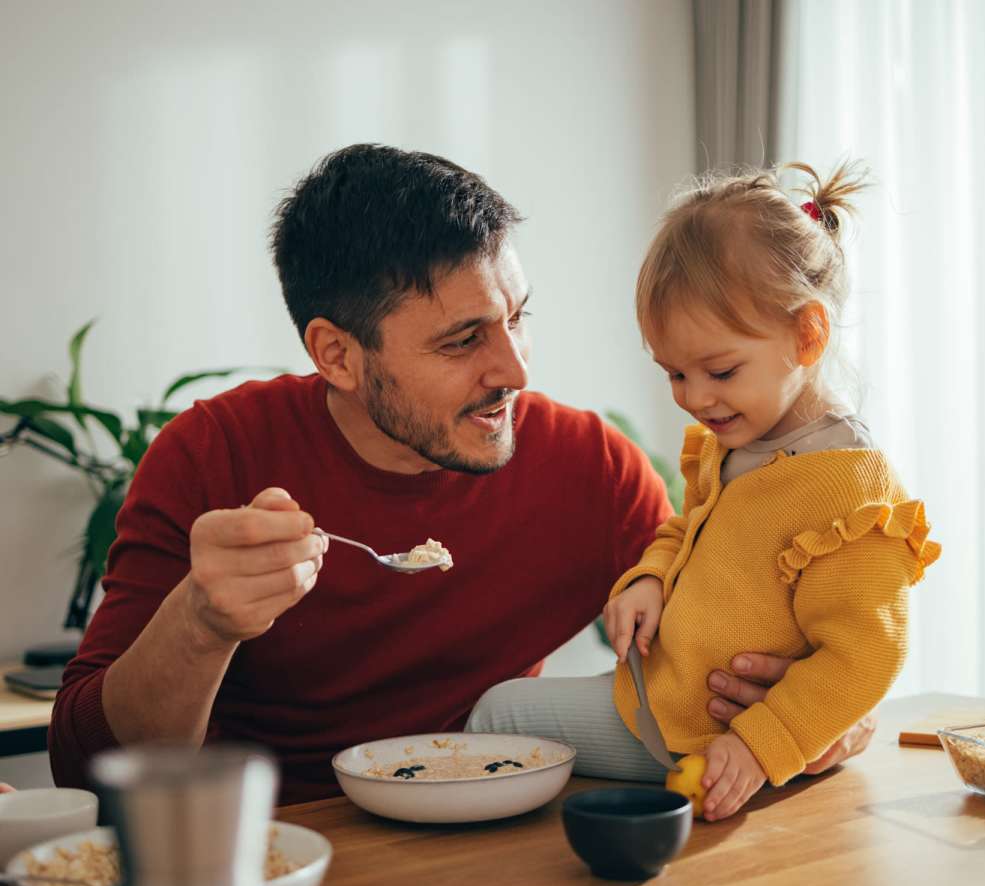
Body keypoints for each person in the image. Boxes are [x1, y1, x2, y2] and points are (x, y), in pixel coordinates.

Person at [48, 146, 873, 805]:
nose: (513, 369)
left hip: (505, 855)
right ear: (336, 354)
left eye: (518, 319)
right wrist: (201, 620)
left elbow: (774, 636)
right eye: (462, 340)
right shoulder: (213, 457)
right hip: (269, 860)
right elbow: (84, 768)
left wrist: (825, 717)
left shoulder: (589, 470)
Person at [467, 162, 938, 821]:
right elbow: (687, 532)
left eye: (718, 370)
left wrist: (756, 748)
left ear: (808, 334)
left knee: (497, 713)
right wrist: (649, 580)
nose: (694, 398)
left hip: (697, 731)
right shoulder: (738, 442)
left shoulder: (850, 490)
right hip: (664, 696)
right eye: (674, 374)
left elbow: (867, 655)